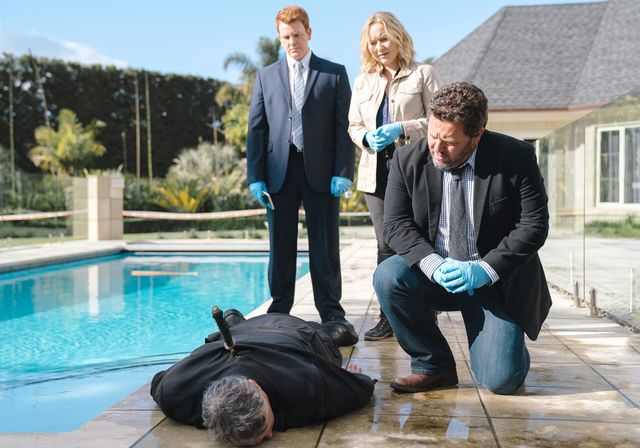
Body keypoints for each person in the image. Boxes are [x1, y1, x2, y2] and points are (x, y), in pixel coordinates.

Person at [373, 82, 552, 395]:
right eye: (433, 135)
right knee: (388, 275)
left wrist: (485, 270)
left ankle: (510, 349)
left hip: (492, 280)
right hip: (433, 275)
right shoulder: (406, 160)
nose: (437, 148)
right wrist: (433, 264)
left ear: (477, 134)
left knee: (501, 380)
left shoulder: (516, 157)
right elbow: (396, 224)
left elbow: (533, 225)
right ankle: (433, 365)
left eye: (450, 142)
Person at [246, 6, 355, 329]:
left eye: (296, 34)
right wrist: (255, 176)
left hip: (322, 172)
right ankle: (280, 308)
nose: (292, 42)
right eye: (285, 37)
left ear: (309, 32)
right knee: (280, 246)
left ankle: (331, 312)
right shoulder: (265, 76)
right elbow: (256, 129)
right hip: (278, 172)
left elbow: (344, 127)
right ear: (279, 38)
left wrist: (343, 171)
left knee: (325, 245)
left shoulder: (334, 73)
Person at [348, 11, 440, 340]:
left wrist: (401, 128)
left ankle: (428, 311)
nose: (379, 47)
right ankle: (389, 316)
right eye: (373, 42)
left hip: (415, 171)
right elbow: (353, 125)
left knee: (419, 240)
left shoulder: (423, 74)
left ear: (398, 37)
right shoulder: (362, 81)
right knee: (385, 243)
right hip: (375, 174)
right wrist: (364, 137)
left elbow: (439, 121)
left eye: (384, 39)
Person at [150, 311, 374, 446]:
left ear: (255, 386)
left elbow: (362, 388)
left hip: (293, 329)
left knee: (331, 340)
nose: (270, 436)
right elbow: (160, 380)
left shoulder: (306, 384)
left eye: (265, 428)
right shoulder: (175, 390)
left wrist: (353, 378)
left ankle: (333, 329)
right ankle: (236, 322)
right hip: (240, 333)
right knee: (238, 332)